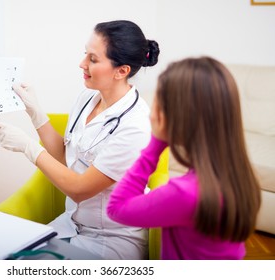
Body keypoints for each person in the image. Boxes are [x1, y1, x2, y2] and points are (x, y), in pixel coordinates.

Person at [0, 20, 160, 259]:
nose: (82, 64)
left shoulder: (136, 126)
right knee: (7, 256)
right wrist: (36, 114)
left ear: (121, 71)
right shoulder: (88, 97)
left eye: (93, 59)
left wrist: (29, 148)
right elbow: (66, 158)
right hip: (72, 224)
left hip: (112, 239)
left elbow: (80, 190)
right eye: (85, 54)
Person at [107, 56, 262, 259]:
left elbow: (116, 209)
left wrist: (156, 143)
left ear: (175, 118)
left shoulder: (185, 193)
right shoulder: (240, 178)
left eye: (157, 103)